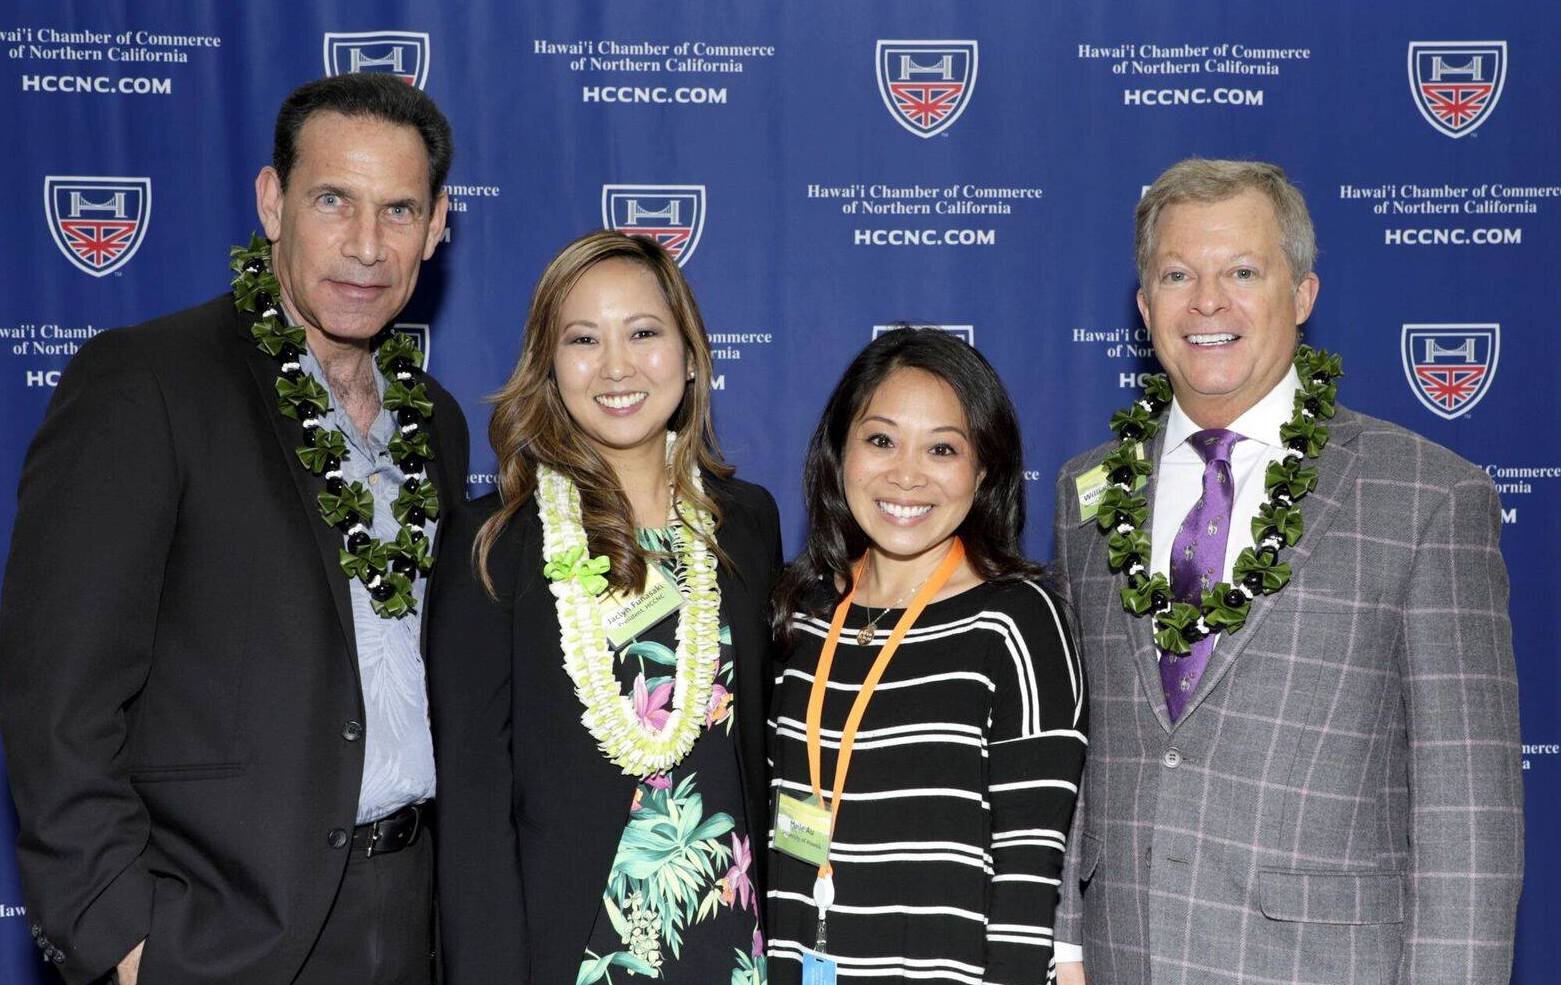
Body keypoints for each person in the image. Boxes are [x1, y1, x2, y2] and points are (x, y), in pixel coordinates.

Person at [0, 73, 463, 985]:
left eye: (399, 210)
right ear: (271, 202)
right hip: (217, 936)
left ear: (438, 224)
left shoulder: (435, 423)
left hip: (411, 923)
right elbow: (57, 696)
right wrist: (124, 942)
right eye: (334, 200)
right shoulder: (148, 384)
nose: (366, 246)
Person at [1051, 159, 1522, 985]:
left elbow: (1468, 811)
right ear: (1143, 306)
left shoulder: (1426, 495)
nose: (1206, 301)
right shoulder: (1086, 495)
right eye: (1175, 273)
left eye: (1241, 271)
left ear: (1301, 294)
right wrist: (1064, 943)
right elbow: (1075, 748)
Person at [428, 230, 781, 985]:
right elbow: (473, 811)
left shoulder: (745, 522)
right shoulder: (494, 543)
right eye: (583, 339)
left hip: (732, 942)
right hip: (578, 954)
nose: (616, 366)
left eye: (644, 333)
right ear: (550, 368)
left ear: (690, 357)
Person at [766, 328, 1086, 985]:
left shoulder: (1016, 620)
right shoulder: (802, 615)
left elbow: (1029, 873)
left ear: (984, 469)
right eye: (880, 439)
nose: (905, 474)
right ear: (839, 451)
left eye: (942, 448)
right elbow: (791, 841)